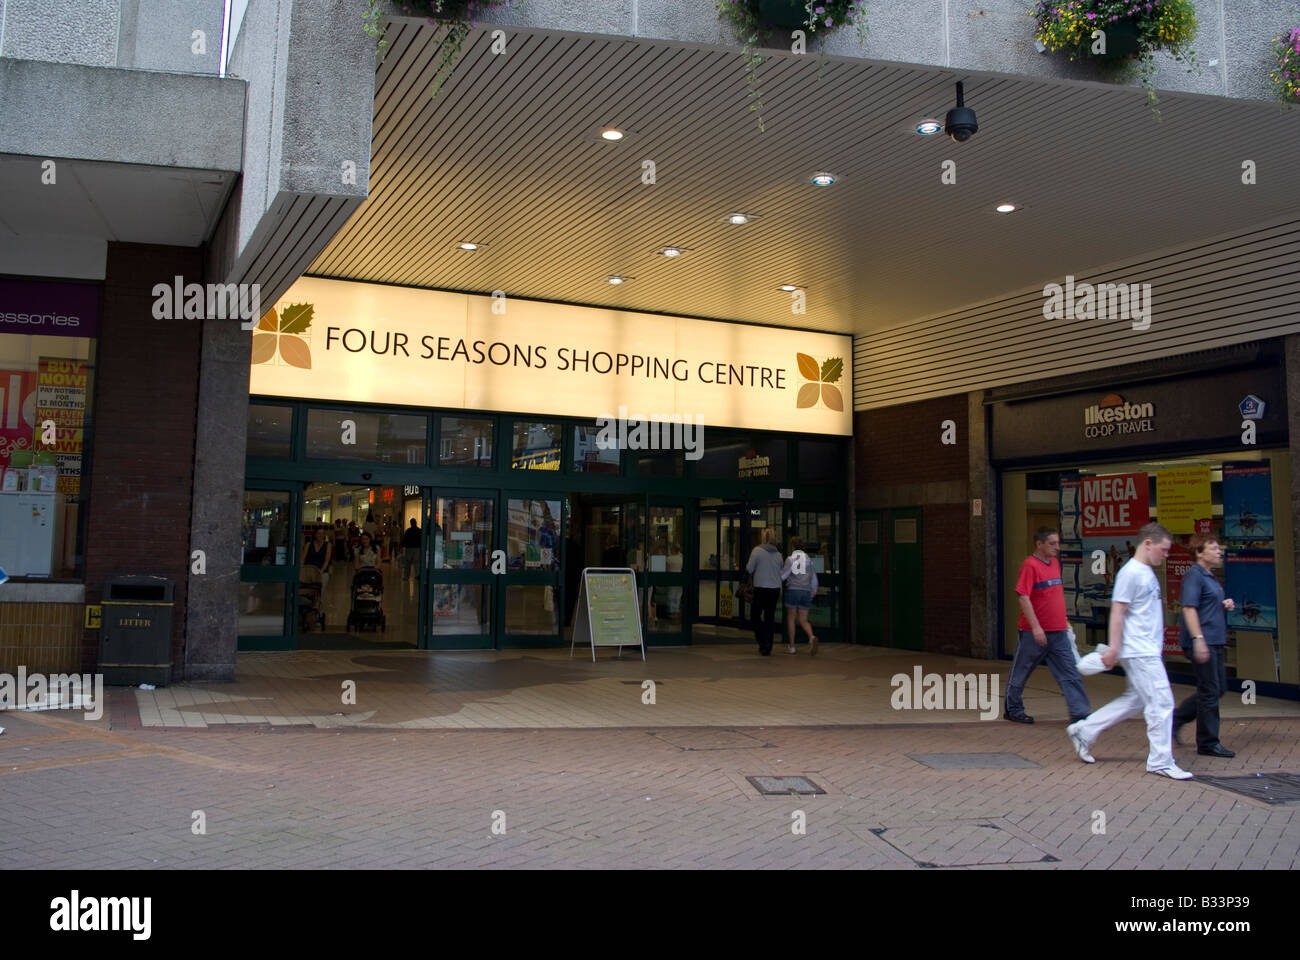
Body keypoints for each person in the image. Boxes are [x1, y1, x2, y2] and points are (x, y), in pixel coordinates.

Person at [1067, 522, 1193, 779]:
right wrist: (1114, 647)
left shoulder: (1144, 572)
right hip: (1141, 651)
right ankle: (1160, 760)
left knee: (1135, 700)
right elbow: (1118, 611)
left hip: (1142, 649)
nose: (1166, 555)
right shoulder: (1131, 573)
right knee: (1162, 702)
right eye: (1164, 549)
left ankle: (1085, 730)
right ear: (1148, 544)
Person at [1004, 527, 1090, 724]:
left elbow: (1055, 597)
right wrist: (1036, 628)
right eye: (1052, 543)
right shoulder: (1030, 566)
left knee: (1070, 672)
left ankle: (1080, 713)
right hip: (1033, 633)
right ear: (1039, 544)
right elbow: (1023, 598)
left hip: (1058, 632)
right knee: (1021, 671)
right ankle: (1013, 709)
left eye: (1058, 543)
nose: (1057, 548)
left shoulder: (1055, 564)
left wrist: (1065, 621)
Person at [1172, 533, 1237, 758]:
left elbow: (1204, 605)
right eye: (1214, 548)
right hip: (1203, 641)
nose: (1219, 552)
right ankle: (1208, 743)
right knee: (1210, 690)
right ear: (1200, 553)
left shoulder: (1210, 576)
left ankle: (1178, 718)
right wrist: (1198, 639)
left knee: (1217, 689)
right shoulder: (1194, 575)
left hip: (1214, 640)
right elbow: (1189, 608)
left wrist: (1222, 604)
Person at [745, 528, 783, 656]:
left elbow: (749, 568)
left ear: (763, 538)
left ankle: (762, 641)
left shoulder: (757, 551)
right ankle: (769, 645)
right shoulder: (778, 554)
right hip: (775, 589)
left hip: (761, 588)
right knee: (769, 617)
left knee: (755, 616)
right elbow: (781, 570)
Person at [780, 536, 819, 655]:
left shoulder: (790, 559)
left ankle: (792, 647)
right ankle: (811, 637)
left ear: (792, 547)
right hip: (806, 591)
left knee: (791, 618)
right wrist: (813, 592)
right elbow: (814, 579)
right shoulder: (809, 559)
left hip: (793, 590)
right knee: (803, 619)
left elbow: (784, 576)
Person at [400, 518, 422, 583]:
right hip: (417, 548)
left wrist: (401, 546)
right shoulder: (419, 530)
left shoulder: (408, 531)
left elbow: (404, 539)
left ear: (410, 523)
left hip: (409, 548)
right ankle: (417, 575)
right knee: (417, 563)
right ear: (416, 523)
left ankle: (406, 576)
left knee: (407, 563)